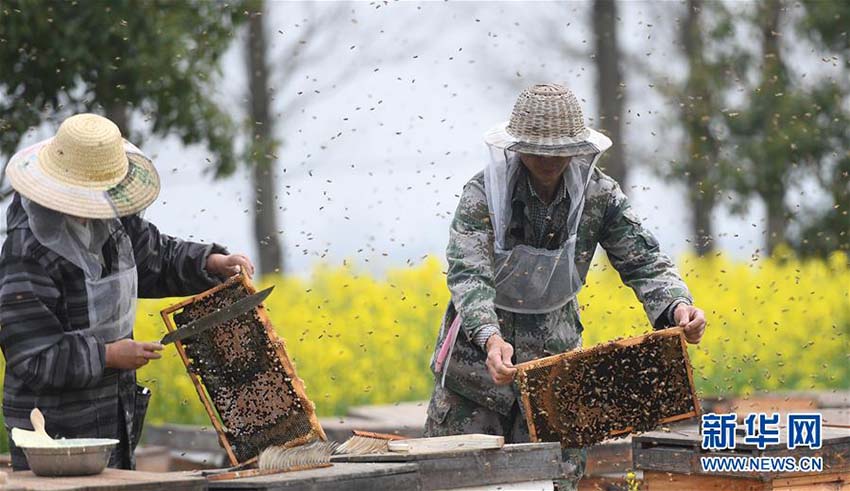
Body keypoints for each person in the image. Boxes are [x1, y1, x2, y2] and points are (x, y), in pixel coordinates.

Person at [425, 84, 707, 489]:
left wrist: (678, 306)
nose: (547, 161)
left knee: (555, 482)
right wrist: (489, 337)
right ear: (518, 147)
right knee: (455, 481)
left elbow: (643, 260)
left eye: (558, 152)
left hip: (555, 375)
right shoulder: (482, 195)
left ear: (577, 149)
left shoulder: (600, 196)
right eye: (538, 150)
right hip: (475, 373)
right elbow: (469, 274)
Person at [0, 113, 255, 470]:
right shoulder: (26, 252)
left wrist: (208, 263)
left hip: (112, 413)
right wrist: (107, 356)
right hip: (50, 435)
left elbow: (156, 257)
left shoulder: (111, 219)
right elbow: (32, 357)